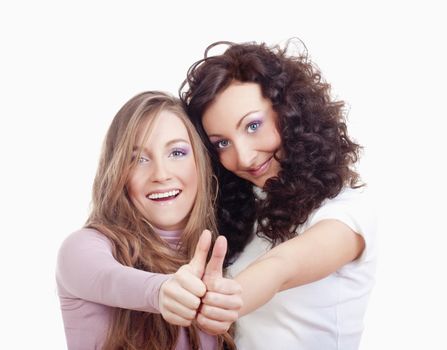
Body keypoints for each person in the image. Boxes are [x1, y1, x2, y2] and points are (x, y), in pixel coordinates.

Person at [180, 40, 378, 349]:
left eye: (253, 125)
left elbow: (283, 267)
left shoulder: (347, 212)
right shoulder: (246, 210)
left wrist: (227, 298)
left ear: (289, 111)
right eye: (222, 143)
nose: (244, 157)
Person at [56, 91, 241, 350]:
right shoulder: (83, 248)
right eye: (138, 159)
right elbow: (110, 279)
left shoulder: (218, 257)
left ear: (200, 162)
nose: (161, 174)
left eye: (176, 153)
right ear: (118, 172)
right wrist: (162, 290)